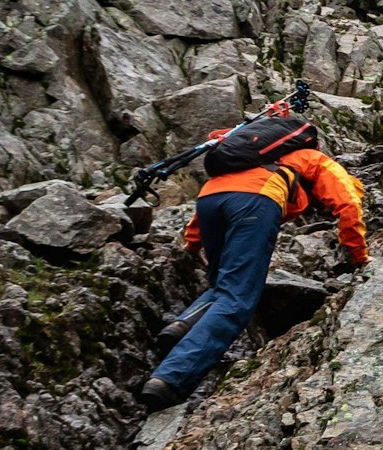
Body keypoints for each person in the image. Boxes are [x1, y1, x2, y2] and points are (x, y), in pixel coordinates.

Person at [137, 130, 368, 412]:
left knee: (223, 283)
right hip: (255, 200)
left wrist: (192, 243)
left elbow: (218, 198)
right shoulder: (317, 160)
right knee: (237, 298)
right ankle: (171, 379)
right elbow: (348, 204)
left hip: (209, 199)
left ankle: (183, 325)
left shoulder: (249, 162)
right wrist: (359, 258)